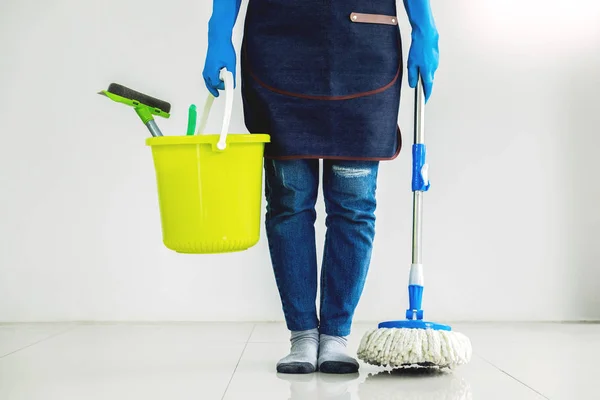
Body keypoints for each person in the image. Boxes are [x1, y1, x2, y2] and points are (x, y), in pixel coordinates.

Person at [203, 0, 439, 374]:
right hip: (279, 48)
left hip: (363, 46)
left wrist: (425, 28)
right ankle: (302, 336)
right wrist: (219, 31)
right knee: (289, 202)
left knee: (354, 205)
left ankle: (334, 337)